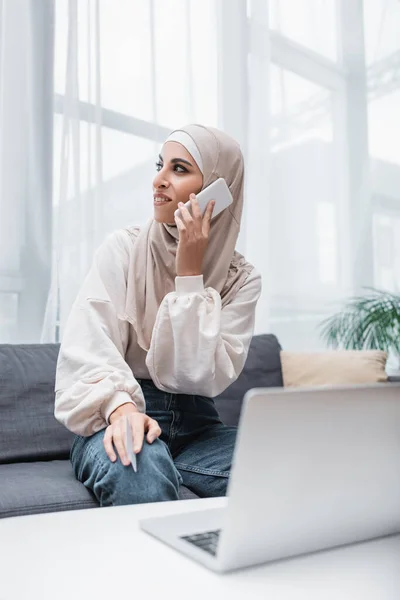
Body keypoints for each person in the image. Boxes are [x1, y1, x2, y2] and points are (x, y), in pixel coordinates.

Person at [54, 124, 262, 506]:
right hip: (117, 414)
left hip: (200, 429)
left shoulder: (241, 280)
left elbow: (192, 376)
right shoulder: (123, 249)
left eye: (179, 169)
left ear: (219, 189)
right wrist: (123, 409)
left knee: (279, 465)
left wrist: (189, 275)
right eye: (160, 165)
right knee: (141, 471)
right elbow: (88, 346)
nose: (159, 180)